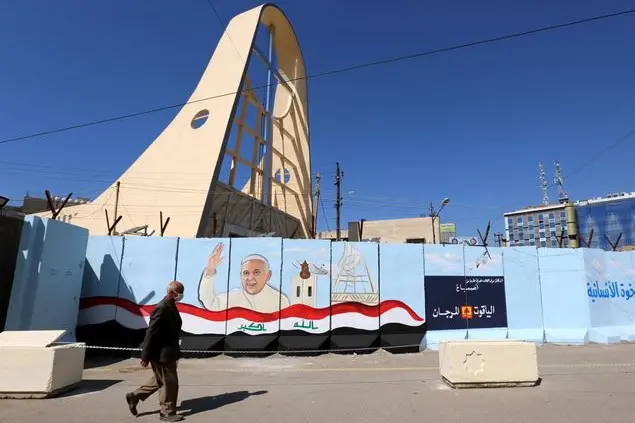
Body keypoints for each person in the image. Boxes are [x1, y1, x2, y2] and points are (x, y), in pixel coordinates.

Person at [125, 281, 185, 422]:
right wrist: (145, 356)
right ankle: (167, 412)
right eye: (180, 293)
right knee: (170, 383)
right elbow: (151, 332)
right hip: (162, 354)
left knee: (159, 380)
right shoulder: (162, 308)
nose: (181, 296)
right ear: (171, 292)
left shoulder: (170, 305)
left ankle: (135, 396)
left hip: (168, 351)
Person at [198, 242, 289, 312]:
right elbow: (210, 303)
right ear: (241, 276)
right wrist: (210, 270)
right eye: (246, 273)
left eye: (256, 272)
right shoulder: (233, 297)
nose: (250, 278)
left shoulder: (280, 301)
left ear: (268, 276)